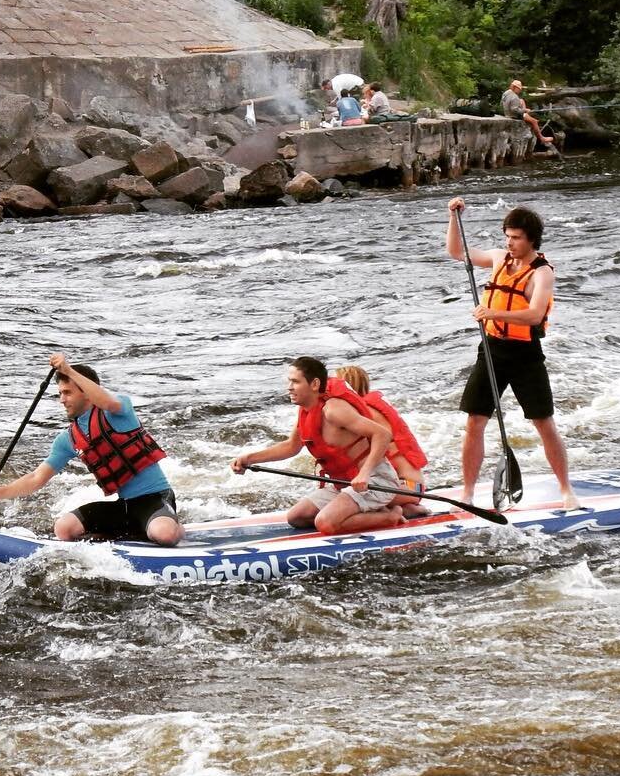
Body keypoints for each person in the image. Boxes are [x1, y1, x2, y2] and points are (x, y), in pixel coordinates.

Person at [446, 197, 578, 509]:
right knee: (475, 420)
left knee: (543, 422)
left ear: (531, 239)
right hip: (491, 350)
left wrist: (492, 313)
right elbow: (456, 252)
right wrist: (453, 217)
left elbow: (534, 315)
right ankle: (467, 493)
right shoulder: (498, 258)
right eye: (507, 236)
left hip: (525, 354)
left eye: (516, 237)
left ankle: (566, 489)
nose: (510, 242)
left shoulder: (542, 273)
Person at [0, 355, 185, 544]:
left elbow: (106, 402)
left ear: (87, 393)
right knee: (63, 529)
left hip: (154, 498)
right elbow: (36, 478)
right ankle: (134, 531)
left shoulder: (119, 411)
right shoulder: (68, 439)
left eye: (67, 393)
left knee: (164, 534)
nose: (62, 400)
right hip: (124, 507)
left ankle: (175, 528)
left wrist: (69, 370)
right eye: (60, 394)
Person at [230, 357, 405, 535]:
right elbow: (291, 447)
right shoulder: (306, 412)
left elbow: (382, 434)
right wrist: (248, 459)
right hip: (344, 484)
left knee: (325, 523)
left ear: (314, 384)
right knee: (297, 517)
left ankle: (391, 516)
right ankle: (369, 510)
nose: (289, 387)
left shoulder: (335, 410)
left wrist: (365, 473)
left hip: (374, 480)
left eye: (295, 382)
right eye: (289, 381)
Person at [335, 365, 428, 515]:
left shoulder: (364, 413)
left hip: (407, 486)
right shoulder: (369, 407)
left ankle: (397, 510)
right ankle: (403, 508)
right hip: (413, 486)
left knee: (343, 503)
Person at [500, 79, 553, 148]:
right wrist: (525, 110)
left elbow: (502, 103)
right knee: (534, 121)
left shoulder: (506, 93)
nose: (519, 90)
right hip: (513, 115)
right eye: (519, 89)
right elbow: (514, 110)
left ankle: (528, 116)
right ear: (514, 87)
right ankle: (542, 138)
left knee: (521, 100)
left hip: (506, 113)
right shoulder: (514, 97)